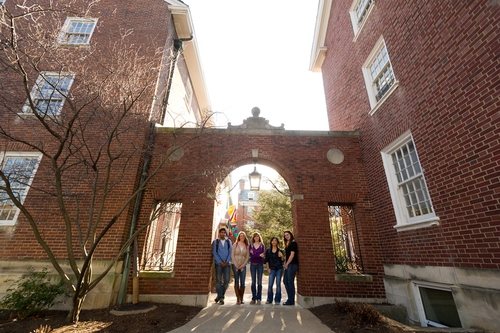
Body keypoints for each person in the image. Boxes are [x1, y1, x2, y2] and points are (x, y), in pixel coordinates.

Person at [212, 228, 232, 305]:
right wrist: (220, 262)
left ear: (225, 234)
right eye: (221, 232)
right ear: (219, 233)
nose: (223, 234)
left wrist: (227, 261)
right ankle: (221, 298)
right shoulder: (216, 242)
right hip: (218, 264)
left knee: (226, 280)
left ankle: (219, 296)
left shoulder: (228, 241)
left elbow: (230, 252)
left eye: (224, 232)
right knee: (219, 281)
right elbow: (214, 252)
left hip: (227, 264)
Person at [264, 236, 285, 305]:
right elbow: (266, 260)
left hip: (279, 269)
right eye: (273, 240)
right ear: (271, 242)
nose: (274, 242)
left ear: (277, 242)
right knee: (270, 285)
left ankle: (277, 300)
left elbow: (282, 260)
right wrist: (268, 268)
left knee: (278, 284)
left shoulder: (280, 250)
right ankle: (269, 299)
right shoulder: (268, 250)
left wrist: (282, 256)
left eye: (275, 241)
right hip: (272, 269)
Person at [232, 231, 249, 305]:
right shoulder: (235, 244)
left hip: (243, 266)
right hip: (235, 265)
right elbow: (232, 255)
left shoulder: (247, 246)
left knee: (242, 282)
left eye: (243, 236)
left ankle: (241, 298)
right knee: (236, 281)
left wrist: (243, 265)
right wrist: (236, 265)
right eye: (240, 236)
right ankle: (237, 298)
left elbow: (247, 257)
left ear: (245, 237)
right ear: (239, 237)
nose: (242, 237)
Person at [249, 232, 265, 305]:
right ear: (253, 238)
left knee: (259, 282)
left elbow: (262, 255)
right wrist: (258, 255)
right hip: (253, 265)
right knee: (253, 282)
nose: (256, 237)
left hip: (260, 265)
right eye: (255, 236)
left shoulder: (262, 245)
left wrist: (254, 254)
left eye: (257, 236)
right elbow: (251, 256)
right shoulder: (251, 245)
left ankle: (259, 298)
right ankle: (253, 298)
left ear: (259, 237)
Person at [282, 230, 298, 306]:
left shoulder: (293, 243)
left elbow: (292, 255)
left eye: (287, 234)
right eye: (285, 235)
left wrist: (287, 264)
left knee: (290, 282)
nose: (286, 236)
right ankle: (290, 299)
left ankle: (291, 300)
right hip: (288, 265)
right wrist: (285, 263)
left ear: (290, 235)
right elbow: (288, 255)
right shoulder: (288, 244)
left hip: (292, 265)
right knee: (285, 281)